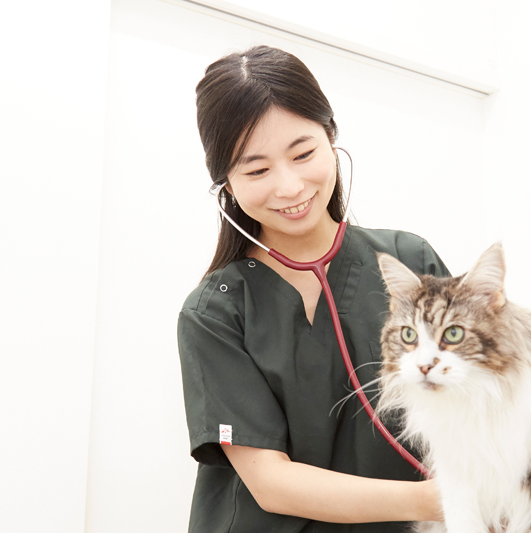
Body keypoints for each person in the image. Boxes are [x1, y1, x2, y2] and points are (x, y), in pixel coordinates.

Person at [177, 45, 448, 532]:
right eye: (256, 170)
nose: (289, 186)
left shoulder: (409, 262)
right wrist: (439, 500)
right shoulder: (215, 312)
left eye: (303, 154)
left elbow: (481, 384)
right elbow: (272, 483)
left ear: (331, 139)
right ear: (227, 185)